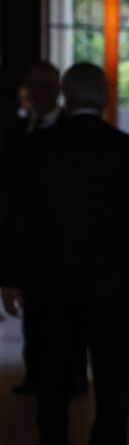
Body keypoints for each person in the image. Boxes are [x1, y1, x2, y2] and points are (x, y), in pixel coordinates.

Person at [0, 63, 129, 445]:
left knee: (52, 379)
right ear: (105, 99)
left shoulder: (39, 149)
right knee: (114, 385)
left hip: (53, 288)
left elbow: (20, 219)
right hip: (117, 292)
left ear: (66, 99)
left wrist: (12, 278)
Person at [1, 60, 63, 397]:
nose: (39, 93)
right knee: (33, 320)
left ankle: (67, 376)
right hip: (27, 242)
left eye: (46, 86)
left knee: (62, 322)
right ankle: (35, 374)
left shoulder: (67, 130)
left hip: (60, 244)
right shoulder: (15, 127)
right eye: (34, 85)